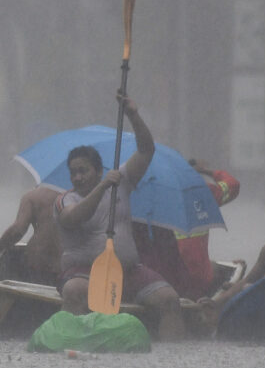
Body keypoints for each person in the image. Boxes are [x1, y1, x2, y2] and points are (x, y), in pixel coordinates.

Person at [54, 93, 184, 340]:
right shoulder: (65, 200)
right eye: (73, 173)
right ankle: (73, 345)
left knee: (170, 300)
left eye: (83, 171)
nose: (77, 177)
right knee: (75, 290)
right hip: (83, 272)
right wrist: (101, 188)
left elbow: (146, 150)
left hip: (128, 271)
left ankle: (171, 361)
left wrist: (133, 115)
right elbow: (73, 219)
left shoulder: (120, 183)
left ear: (98, 170)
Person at [136, 158, 241, 300]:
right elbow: (233, 185)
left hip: (157, 281)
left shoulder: (146, 198)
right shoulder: (203, 193)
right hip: (198, 280)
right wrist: (206, 171)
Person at [0, 184, 61, 285]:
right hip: (72, 271)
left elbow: (17, 231)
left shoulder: (33, 196)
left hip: (38, 265)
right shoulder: (80, 199)